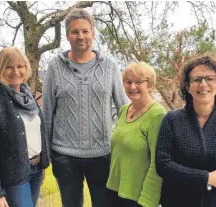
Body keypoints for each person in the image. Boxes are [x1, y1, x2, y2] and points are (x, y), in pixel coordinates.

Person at [42, 8, 128, 207]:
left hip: (103, 153)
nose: (80, 36)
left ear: (93, 33)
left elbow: (124, 107)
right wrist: (47, 155)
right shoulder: (55, 67)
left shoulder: (110, 66)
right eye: (75, 32)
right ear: (67, 36)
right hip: (65, 156)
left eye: (85, 31)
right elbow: (47, 112)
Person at [156, 56, 216, 207]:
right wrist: (206, 178)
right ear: (187, 86)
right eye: (197, 79)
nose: (203, 84)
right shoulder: (173, 119)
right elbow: (162, 164)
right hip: (178, 200)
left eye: (210, 79)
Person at [106, 62, 166, 207]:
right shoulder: (124, 110)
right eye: (128, 82)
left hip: (138, 198)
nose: (132, 87)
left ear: (150, 85)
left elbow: (157, 163)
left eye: (139, 82)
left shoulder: (157, 115)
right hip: (114, 191)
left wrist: (147, 202)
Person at [0, 46, 49, 207]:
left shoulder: (28, 95)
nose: (16, 71)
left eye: (20, 66)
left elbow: (38, 133)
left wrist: (42, 164)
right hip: (14, 177)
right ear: (0, 68)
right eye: (9, 67)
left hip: (36, 170)